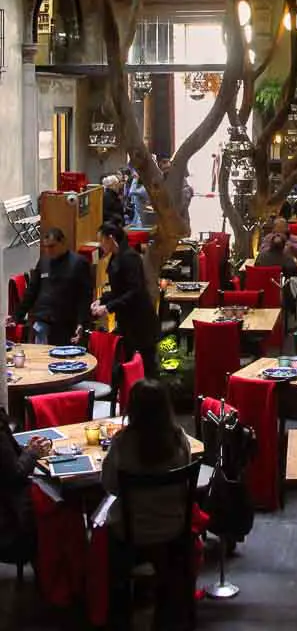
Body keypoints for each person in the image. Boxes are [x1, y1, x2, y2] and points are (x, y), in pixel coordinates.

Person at [101, 379, 192, 631]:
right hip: (174, 529)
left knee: (102, 528)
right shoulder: (179, 440)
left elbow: (109, 485)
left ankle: (118, 608)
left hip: (131, 534)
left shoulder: (122, 443)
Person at [91, 223, 160, 377]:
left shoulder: (130, 257)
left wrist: (108, 307)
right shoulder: (115, 256)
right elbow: (118, 290)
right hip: (127, 321)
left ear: (111, 238)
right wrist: (101, 300)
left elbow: (134, 291)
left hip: (140, 322)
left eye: (101, 240)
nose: (99, 244)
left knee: (146, 367)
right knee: (130, 364)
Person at [11, 227, 92, 345]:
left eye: (52, 246)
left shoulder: (79, 263)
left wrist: (81, 323)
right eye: (46, 247)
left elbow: (85, 296)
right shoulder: (44, 261)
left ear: (63, 243)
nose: (49, 250)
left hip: (66, 323)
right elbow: (32, 291)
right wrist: (17, 316)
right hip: (42, 320)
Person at [0, 409, 50, 566]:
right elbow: (16, 474)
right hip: (10, 520)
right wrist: (32, 452)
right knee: (62, 503)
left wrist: (27, 451)